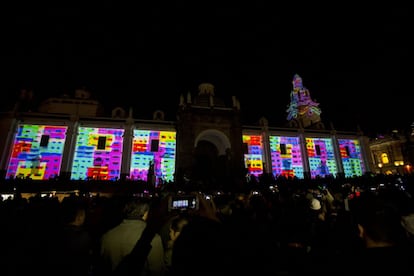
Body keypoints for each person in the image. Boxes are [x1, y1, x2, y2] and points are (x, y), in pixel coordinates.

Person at [99, 196, 165, 276]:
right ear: (145, 213)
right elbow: (157, 271)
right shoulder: (154, 238)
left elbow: (103, 266)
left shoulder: (107, 236)